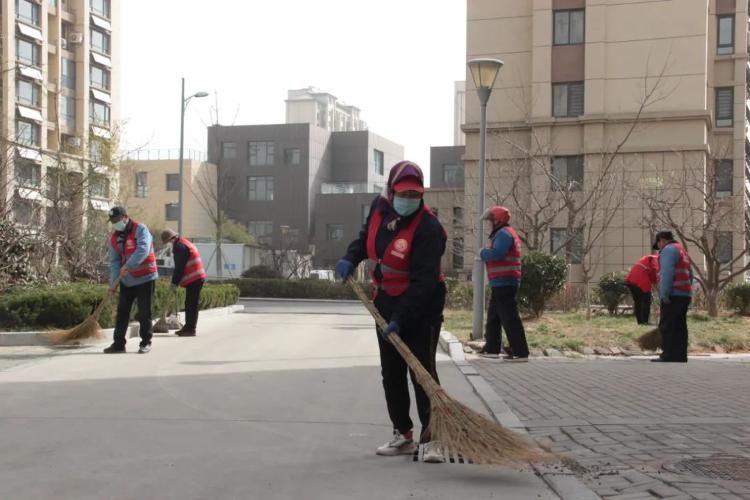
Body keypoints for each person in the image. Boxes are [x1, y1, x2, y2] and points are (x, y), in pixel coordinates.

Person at [335, 160, 447, 463]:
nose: (408, 200)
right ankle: (403, 434)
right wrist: (350, 258)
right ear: (391, 190)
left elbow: (424, 283)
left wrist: (402, 319)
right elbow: (363, 240)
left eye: (415, 195)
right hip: (385, 301)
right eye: (403, 194)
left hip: (422, 307)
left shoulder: (429, 228)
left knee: (422, 371)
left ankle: (433, 437)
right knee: (392, 372)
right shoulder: (379, 210)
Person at [478, 206, 530, 361]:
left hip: (505, 282)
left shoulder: (503, 234)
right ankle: (492, 348)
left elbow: (497, 253)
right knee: (494, 316)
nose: (488, 224)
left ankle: (520, 352)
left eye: (490, 221)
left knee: (509, 317)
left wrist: (482, 253)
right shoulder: (505, 233)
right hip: (501, 282)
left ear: (497, 221)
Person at [105, 206, 158, 354]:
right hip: (127, 280)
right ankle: (118, 344)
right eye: (112, 221)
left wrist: (128, 265)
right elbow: (115, 262)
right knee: (122, 312)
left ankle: (145, 342)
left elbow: (143, 249)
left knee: (144, 312)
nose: (115, 223)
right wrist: (113, 284)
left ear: (125, 217)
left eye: (116, 220)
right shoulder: (115, 238)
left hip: (145, 277)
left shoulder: (140, 229)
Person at [653, 230, 692, 363]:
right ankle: (680, 355)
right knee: (680, 326)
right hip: (684, 294)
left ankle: (668, 355)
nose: (659, 248)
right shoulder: (681, 250)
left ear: (662, 241)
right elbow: (690, 274)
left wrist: (664, 294)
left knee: (668, 325)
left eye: (658, 245)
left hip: (673, 294)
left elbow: (667, 273)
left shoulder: (668, 250)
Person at [161, 229, 207, 336]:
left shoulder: (179, 247)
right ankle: (188, 327)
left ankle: (190, 329)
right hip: (197, 277)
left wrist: (174, 283)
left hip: (195, 278)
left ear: (171, 239)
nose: (169, 244)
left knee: (191, 304)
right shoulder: (183, 243)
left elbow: (179, 267)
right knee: (190, 304)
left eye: (168, 242)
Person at [624, 254, 659, 325]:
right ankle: (645, 321)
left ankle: (640, 322)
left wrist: (655, 282)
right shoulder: (655, 258)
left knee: (638, 302)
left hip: (631, 280)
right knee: (646, 301)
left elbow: (651, 273)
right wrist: (657, 282)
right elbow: (655, 270)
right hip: (641, 280)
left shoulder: (648, 258)